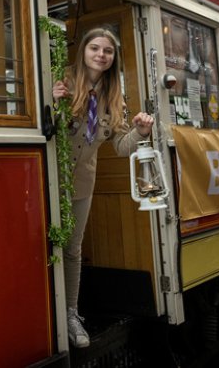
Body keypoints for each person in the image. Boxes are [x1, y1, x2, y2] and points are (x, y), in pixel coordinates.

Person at [52, 27, 154, 348]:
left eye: (107, 51)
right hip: (48, 176)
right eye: (95, 48)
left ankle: (70, 315)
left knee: (72, 248)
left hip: (82, 182)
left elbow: (122, 147)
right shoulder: (62, 80)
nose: (101, 55)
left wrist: (139, 132)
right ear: (83, 51)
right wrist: (51, 101)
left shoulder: (113, 96)